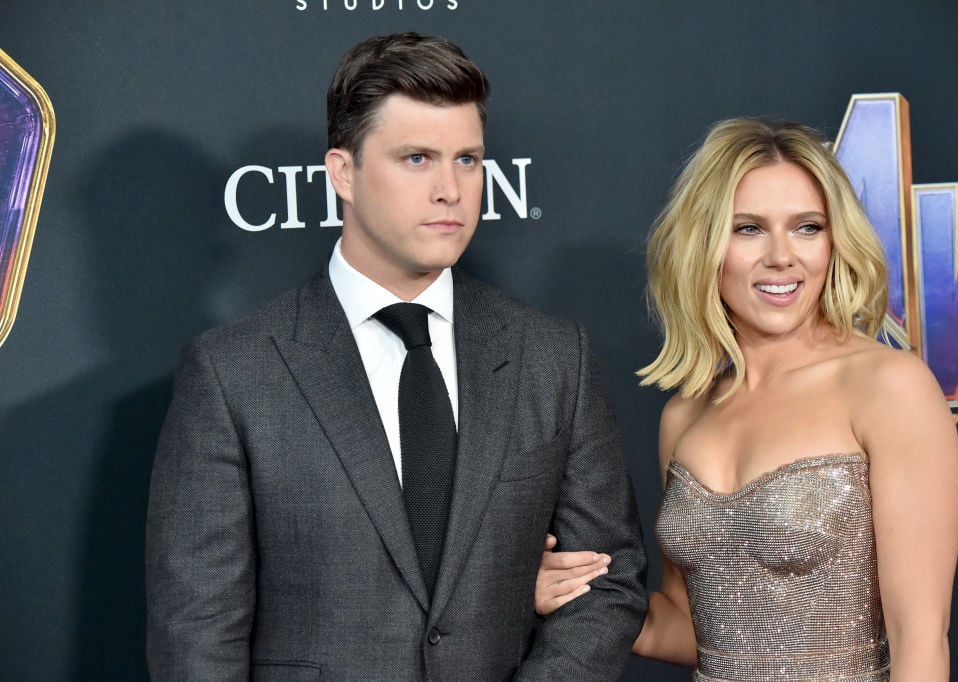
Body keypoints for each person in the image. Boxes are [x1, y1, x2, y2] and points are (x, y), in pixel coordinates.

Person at [146, 32, 646, 680]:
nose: (450, 189)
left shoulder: (553, 357)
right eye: (417, 159)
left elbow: (608, 581)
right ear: (342, 173)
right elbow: (197, 637)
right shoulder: (232, 375)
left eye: (467, 160)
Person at [535, 118, 958, 680]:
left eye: (807, 227)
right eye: (749, 229)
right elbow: (693, 630)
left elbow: (920, 642)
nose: (782, 256)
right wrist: (572, 593)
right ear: (706, 245)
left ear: (834, 242)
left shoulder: (889, 386)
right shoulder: (686, 414)